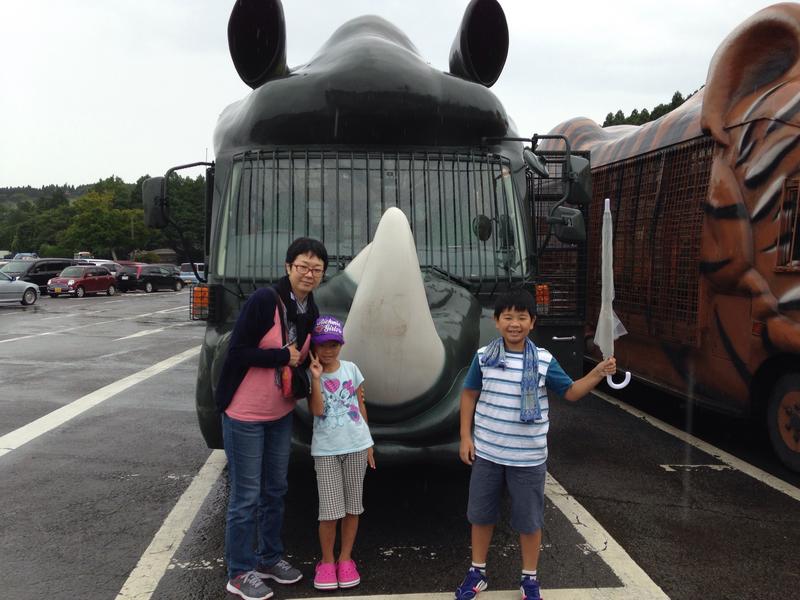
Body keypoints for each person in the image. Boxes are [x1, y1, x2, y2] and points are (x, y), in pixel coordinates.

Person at [454, 289, 616, 600]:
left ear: (532, 323)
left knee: (529, 520)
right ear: (496, 322)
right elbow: (469, 395)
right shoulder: (482, 358)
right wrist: (465, 436)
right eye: (508, 317)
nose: (514, 324)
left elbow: (569, 392)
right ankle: (477, 572)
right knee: (481, 515)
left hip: (528, 458)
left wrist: (596, 373)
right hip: (487, 453)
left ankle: (529, 578)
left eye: (521, 318)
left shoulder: (543, 361)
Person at [216, 237, 328, 600]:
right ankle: (239, 571)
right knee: (246, 496)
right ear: (287, 267)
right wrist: (282, 357)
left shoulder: (310, 309)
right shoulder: (265, 300)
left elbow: (304, 354)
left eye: (316, 269)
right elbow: (237, 352)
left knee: (275, 491)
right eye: (303, 267)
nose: (309, 274)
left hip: (279, 412)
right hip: (245, 414)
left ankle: (269, 558)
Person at [306, 315, 376, 591]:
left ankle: (346, 558)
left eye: (334, 344)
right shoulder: (314, 373)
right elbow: (318, 410)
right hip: (326, 451)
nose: (328, 350)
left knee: (352, 507)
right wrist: (315, 378)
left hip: (357, 446)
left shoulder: (352, 369)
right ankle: (326, 561)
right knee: (329, 511)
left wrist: (369, 443)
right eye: (323, 345)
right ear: (314, 346)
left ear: (341, 344)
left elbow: (360, 407)